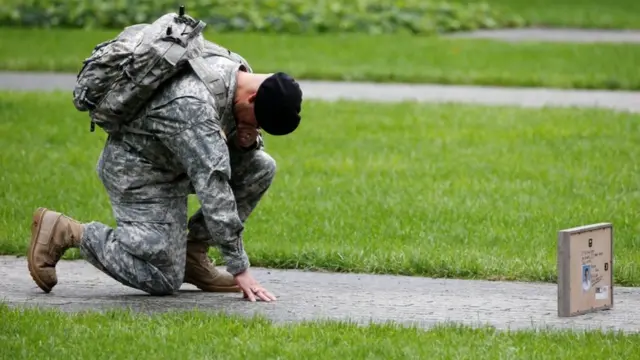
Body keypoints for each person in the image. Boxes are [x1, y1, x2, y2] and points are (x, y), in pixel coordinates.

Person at [26, 46, 303, 302]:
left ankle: (193, 254)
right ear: (253, 97)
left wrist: (247, 140)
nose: (256, 128)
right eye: (257, 122)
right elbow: (213, 185)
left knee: (260, 166)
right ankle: (68, 231)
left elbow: (223, 144)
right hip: (140, 171)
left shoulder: (240, 72)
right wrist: (239, 267)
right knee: (162, 278)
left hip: (176, 161)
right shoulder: (193, 102)